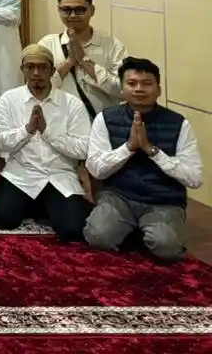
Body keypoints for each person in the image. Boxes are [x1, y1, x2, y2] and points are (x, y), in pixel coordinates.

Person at [85, 58, 203, 262]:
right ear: (122, 89)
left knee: (167, 248)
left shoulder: (179, 123)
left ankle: (142, 229)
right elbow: (96, 169)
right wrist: (129, 147)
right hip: (119, 196)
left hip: (163, 200)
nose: (139, 89)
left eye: (147, 83)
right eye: (132, 83)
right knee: (98, 236)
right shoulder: (105, 118)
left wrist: (152, 151)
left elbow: (194, 178)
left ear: (159, 90)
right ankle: (134, 228)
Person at [0, 43, 91, 241]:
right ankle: (41, 204)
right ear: (22, 70)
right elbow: (1, 142)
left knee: (72, 230)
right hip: (21, 172)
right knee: (2, 218)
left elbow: (83, 149)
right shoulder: (9, 99)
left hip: (59, 174)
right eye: (30, 67)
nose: (36, 73)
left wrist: (47, 132)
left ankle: (45, 203)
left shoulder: (72, 104)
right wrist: (27, 130)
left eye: (42, 67)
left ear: (52, 71)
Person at [37, 0, 126, 121]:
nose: (72, 15)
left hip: (102, 124)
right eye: (66, 10)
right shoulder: (47, 44)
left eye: (79, 10)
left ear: (92, 10)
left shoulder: (113, 46)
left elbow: (123, 91)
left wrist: (85, 61)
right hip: (60, 123)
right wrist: (68, 63)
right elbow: (37, 87)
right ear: (58, 10)